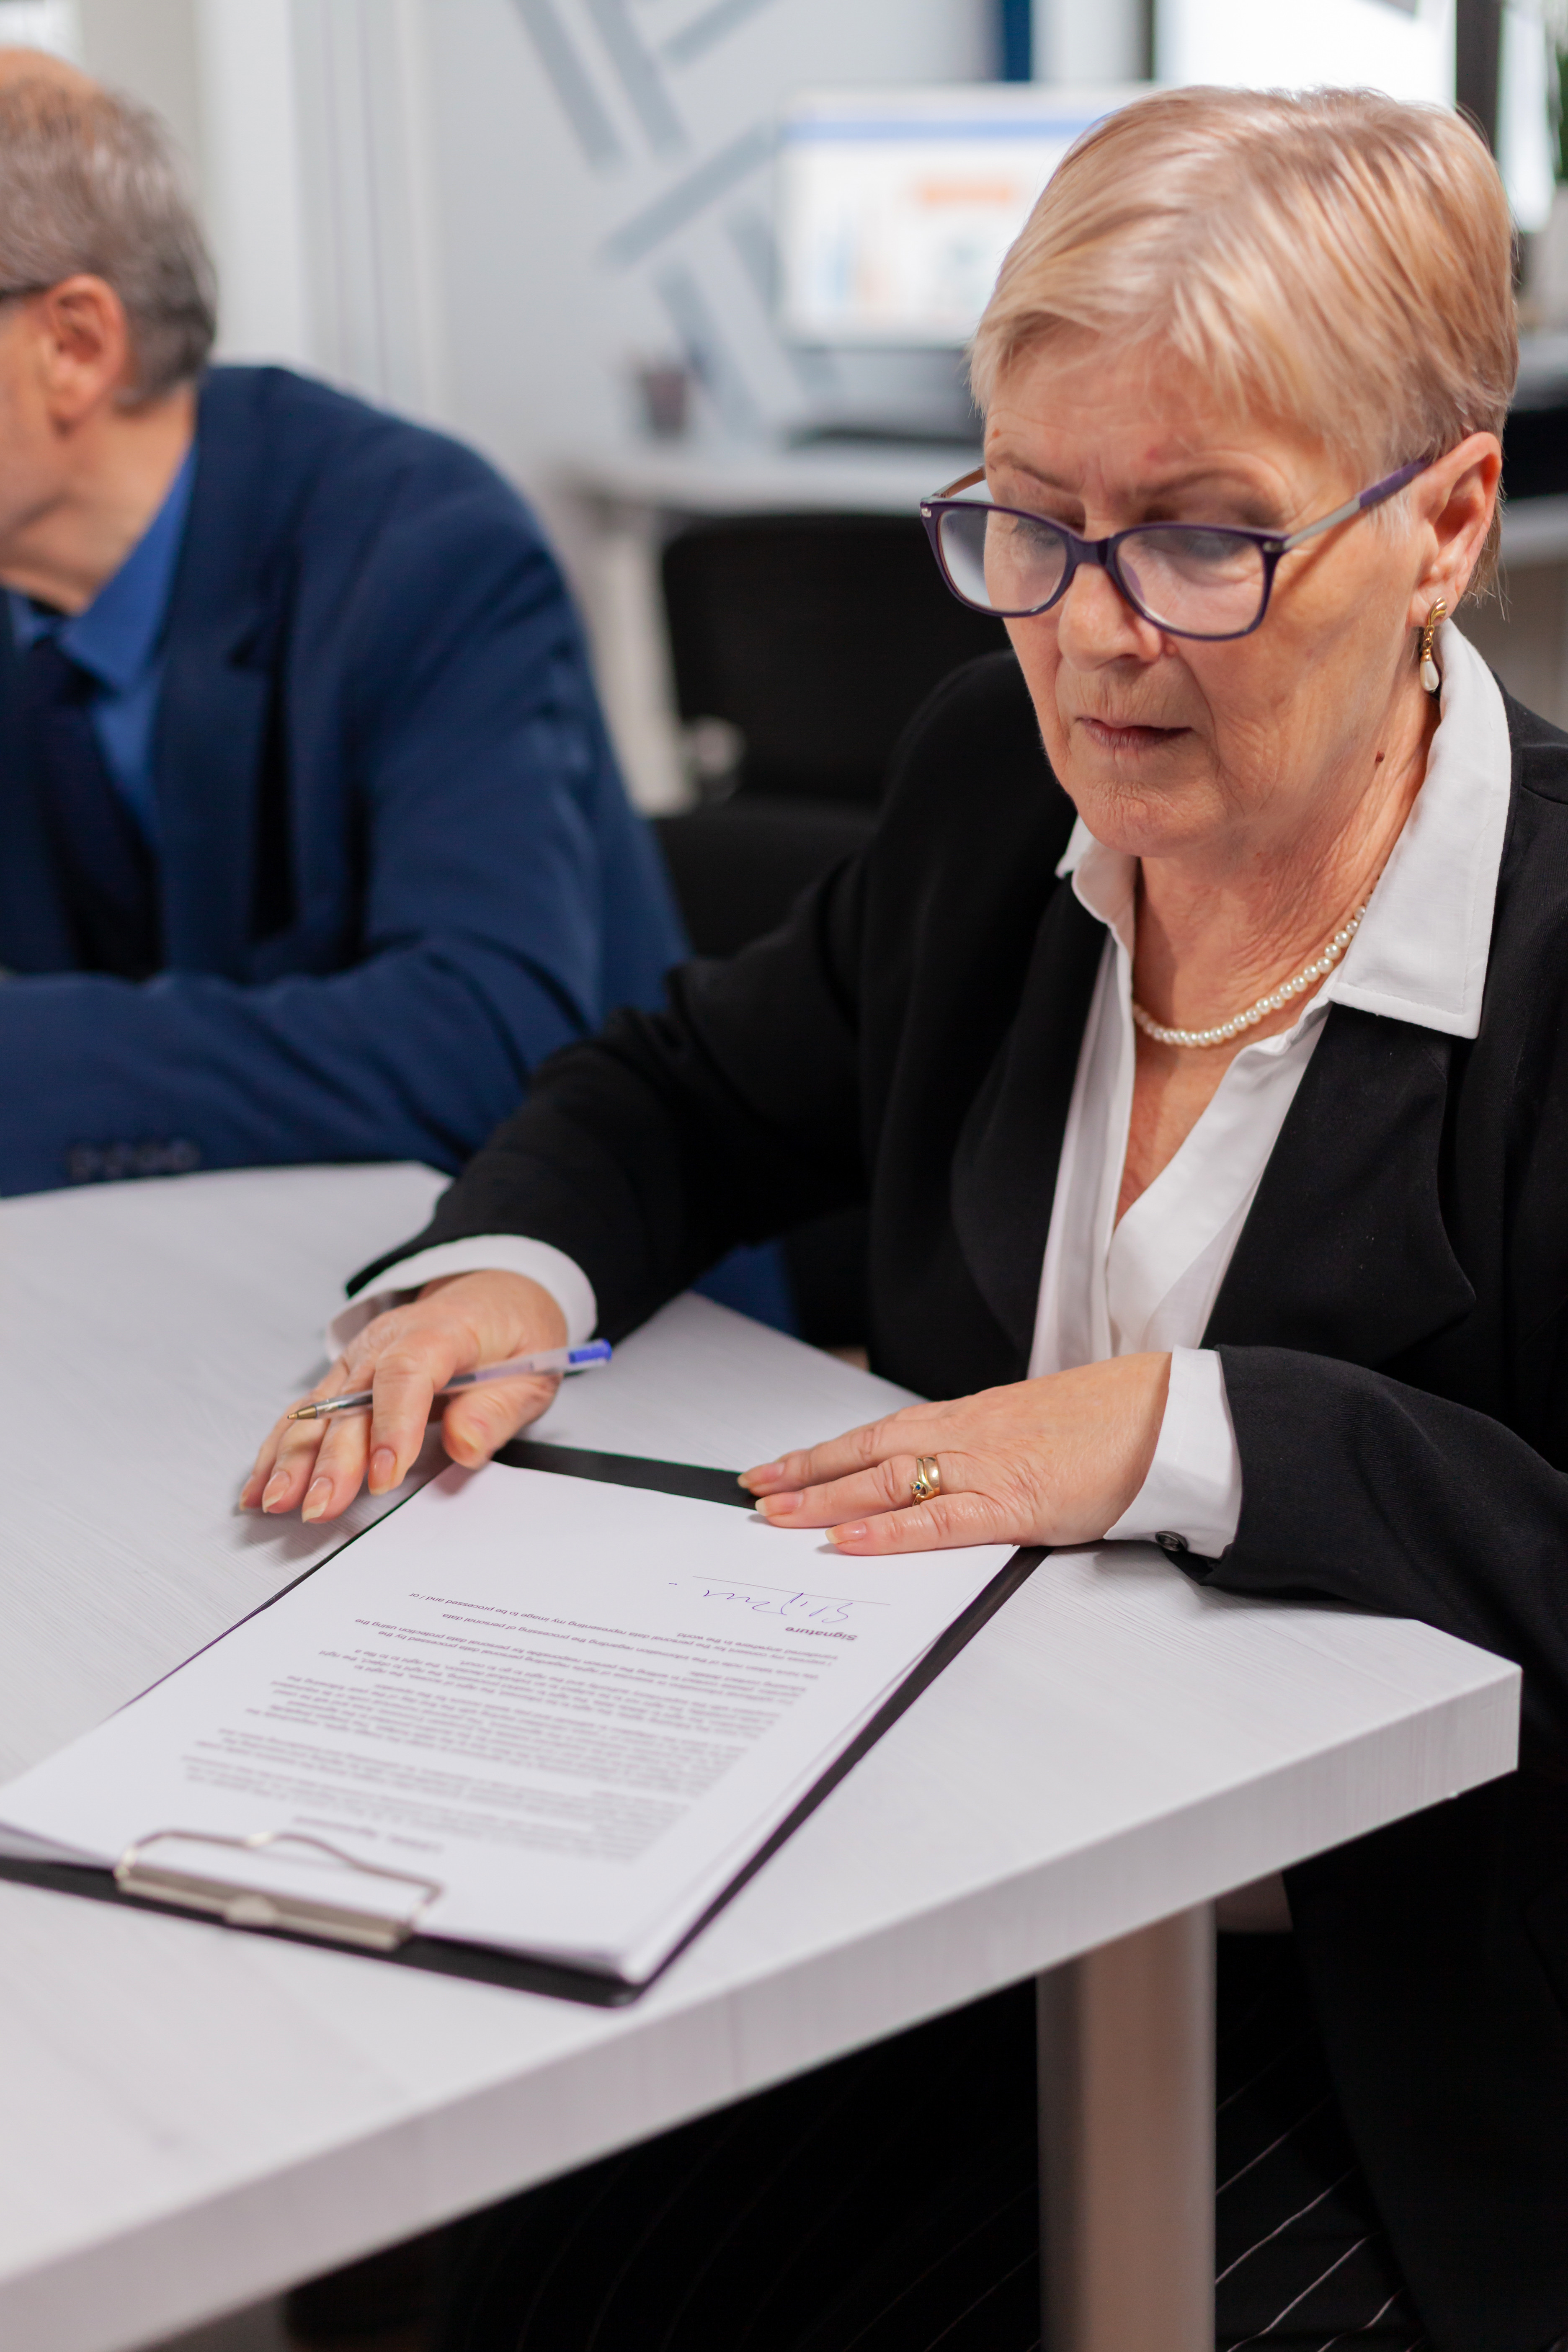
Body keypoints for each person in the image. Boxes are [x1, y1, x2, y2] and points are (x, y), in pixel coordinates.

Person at [248, 87, 1568, 2352]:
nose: (1093, 638)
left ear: (1447, 522)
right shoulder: (987, 786)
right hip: (943, 1905)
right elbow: (675, 1090)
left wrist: (1192, 1430)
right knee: (513, 2279)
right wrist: (503, 1268)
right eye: (1029, 526)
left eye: (1198, 540)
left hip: (1416, 2033)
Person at [0, 57, 683, 1195]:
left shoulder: (424, 550)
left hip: (561, 1293)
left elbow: (485, 1036)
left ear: (72, 346)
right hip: (174, 1271)